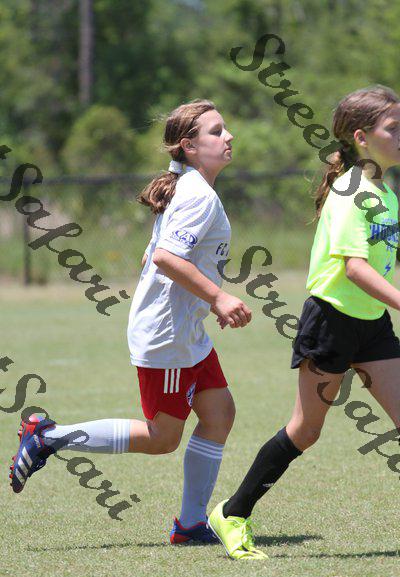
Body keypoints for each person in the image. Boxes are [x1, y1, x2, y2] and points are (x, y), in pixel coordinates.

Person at [9, 99, 252, 544]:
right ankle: (48, 437)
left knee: (219, 414)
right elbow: (165, 258)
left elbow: (150, 254)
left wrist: (202, 303)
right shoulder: (197, 195)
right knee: (162, 438)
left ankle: (191, 525)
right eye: (217, 131)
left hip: (185, 331)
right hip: (168, 336)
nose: (228, 137)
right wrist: (217, 297)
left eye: (225, 129)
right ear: (190, 146)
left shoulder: (189, 187)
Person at [209, 85, 400, 559]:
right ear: (361, 138)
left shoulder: (385, 192)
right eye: (394, 128)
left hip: (372, 323)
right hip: (332, 323)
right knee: (306, 430)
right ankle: (231, 513)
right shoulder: (351, 191)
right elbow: (354, 268)